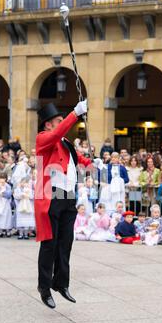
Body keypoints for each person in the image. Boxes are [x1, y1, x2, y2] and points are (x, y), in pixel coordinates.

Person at [35, 100, 102, 309]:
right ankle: (44, 287)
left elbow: (79, 160)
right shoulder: (44, 139)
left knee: (66, 242)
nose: (63, 123)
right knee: (49, 244)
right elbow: (56, 135)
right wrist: (75, 113)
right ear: (48, 124)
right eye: (59, 120)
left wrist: (93, 164)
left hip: (68, 197)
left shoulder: (66, 143)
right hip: (51, 196)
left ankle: (61, 283)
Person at [0, 173, 13, 238]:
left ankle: (7, 230)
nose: (1, 180)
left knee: (6, 216)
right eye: (0, 179)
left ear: (5, 179)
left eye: (3, 179)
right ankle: (0, 230)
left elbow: (9, 194)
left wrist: (3, 193)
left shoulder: (8, 186)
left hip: (5, 203)